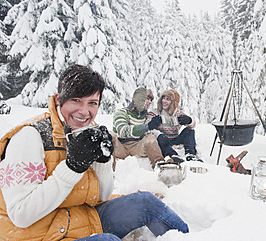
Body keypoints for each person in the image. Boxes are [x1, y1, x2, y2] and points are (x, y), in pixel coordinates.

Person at [0, 64, 189, 240]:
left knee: (146, 202)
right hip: (37, 235)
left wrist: (104, 161)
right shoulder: (31, 137)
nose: (84, 111)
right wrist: (72, 168)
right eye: (76, 100)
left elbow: (102, 197)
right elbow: (20, 215)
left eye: (92, 103)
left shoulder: (88, 131)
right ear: (59, 99)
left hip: (79, 221)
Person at [111, 87, 172, 169]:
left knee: (150, 138)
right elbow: (123, 131)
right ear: (139, 99)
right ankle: (110, 171)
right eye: (147, 99)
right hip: (121, 147)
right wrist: (147, 126)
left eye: (151, 100)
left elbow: (151, 130)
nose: (150, 102)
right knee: (110, 135)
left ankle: (159, 165)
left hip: (137, 146)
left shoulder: (146, 116)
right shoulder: (121, 113)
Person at [148, 89, 202, 163]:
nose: (164, 101)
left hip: (174, 139)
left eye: (168, 99)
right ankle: (173, 156)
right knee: (160, 141)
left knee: (189, 131)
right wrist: (158, 134)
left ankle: (190, 155)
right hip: (162, 140)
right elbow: (146, 128)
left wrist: (189, 120)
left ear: (173, 102)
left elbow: (192, 125)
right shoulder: (155, 113)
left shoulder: (177, 113)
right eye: (163, 98)